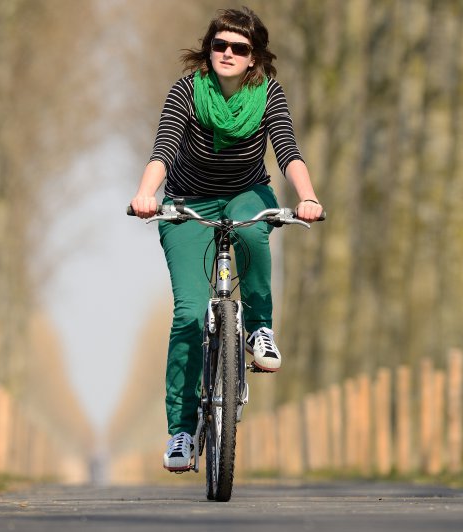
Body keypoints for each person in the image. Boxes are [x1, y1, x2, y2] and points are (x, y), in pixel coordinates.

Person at [129, 6, 323, 472]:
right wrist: (145, 194)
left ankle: (259, 328)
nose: (229, 53)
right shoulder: (186, 92)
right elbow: (164, 148)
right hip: (187, 201)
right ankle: (180, 431)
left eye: (240, 48)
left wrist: (309, 198)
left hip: (245, 193)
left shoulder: (268, 95)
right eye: (221, 45)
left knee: (257, 232)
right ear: (208, 49)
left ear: (254, 57)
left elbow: (288, 150)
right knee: (190, 315)